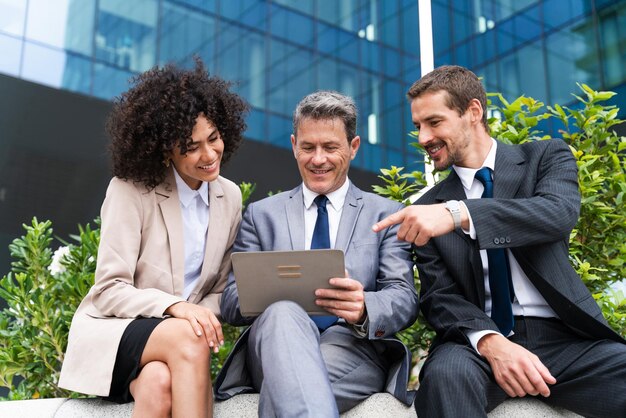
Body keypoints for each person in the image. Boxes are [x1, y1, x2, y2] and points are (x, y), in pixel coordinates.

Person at [372, 65, 626, 417]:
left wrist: (459, 214)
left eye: (434, 122)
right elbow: (440, 298)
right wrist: (492, 343)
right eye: (418, 126)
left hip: (568, 341)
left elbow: (556, 214)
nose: (423, 138)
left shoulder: (546, 157)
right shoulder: (425, 208)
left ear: (473, 112)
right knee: (445, 377)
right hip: (476, 344)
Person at [59, 59, 249, 418]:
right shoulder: (131, 191)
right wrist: (175, 308)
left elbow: (220, 291)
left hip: (176, 349)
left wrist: (193, 314)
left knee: (158, 384)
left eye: (213, 138)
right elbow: (109, 288)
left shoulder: (230, 197)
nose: (209, 155)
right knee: (188, 336)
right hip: (117, 332)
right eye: (191, 147)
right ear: (166, 150)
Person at [214, 91, 419, 416]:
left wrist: (365, 306)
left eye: (330, 147)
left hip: (351, 346)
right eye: (308, 147)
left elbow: (404, 296)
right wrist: (270, 293)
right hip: (272, 345)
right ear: (294, 145)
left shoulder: (386, 214)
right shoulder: (261, 215)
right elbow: (230, 301)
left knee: (292, 384)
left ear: (353, 148)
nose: (318, 159)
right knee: (283, 312)